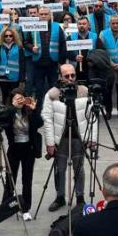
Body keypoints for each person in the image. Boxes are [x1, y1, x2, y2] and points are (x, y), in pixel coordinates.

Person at [41, 63, 96, 212]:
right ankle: (60, 197)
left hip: (79, 137)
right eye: (67, 76)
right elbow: (47, 119)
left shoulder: (84, 91)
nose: (70, 79)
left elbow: (93, 116)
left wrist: (93, 139)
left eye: (73, 75)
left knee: (79, 169)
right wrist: (50, 142)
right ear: (60, 76)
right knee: (60, 169)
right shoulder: (52, 94)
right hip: (61, 138)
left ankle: (80, 198)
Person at [1, 88, 43, 221]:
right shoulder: (8, 112)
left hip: (28, 149)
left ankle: (25, 208)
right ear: (11, 100)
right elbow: (1, 121)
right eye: (16, 99)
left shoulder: (29, 112)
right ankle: (6, 206)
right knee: (10, 179)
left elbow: (39, 124)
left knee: (27, 179)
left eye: (21, 98)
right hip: (14, 149)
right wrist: (13, 108)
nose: (20, 101)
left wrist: (34, 109)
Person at [0, 26, 25, 104]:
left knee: (14, 96)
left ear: (14, 37)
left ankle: (13, 113)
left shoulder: (19, 47)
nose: (8, 37)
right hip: (2, 75)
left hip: (14, 76)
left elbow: (22, 63)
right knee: (4, 95)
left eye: (10, 36)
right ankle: (5, 113)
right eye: (6, 36)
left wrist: (22, 77)